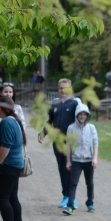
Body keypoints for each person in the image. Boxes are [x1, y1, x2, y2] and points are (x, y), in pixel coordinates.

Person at [38, 78, 79, 210]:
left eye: (65, 88)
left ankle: (73, 198)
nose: (63, 90)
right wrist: (43, 133)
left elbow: (82, 120)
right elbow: (50, 121)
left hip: (71, 142)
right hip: (57, 141)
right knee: (62, 168)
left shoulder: (75, 103)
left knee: (71, 167)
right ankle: (65, 196)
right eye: (61, 88)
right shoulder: (55, 104)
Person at [64, 103, 98, 215]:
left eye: (85, 114)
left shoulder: (91, 128)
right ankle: (70, 206)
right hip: (76, 160)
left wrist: (95, 158)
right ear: (76, 115)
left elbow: (95, 143)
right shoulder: (71, 128)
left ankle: (90, 203)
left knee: (90, 183)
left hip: (88, 160)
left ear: (88, 115)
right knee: (73, 183)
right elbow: (68, 145)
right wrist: (68, 161)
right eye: (80, 114)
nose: (82, 116)